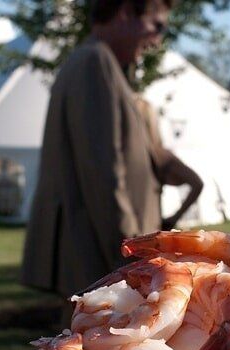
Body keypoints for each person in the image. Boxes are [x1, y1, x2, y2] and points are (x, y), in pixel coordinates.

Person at [21, 0, 173, 305]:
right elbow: (104, 174)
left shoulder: (99, 63)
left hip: (100, 264)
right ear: (125, 11)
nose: (157, 39)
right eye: (157, 25)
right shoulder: (94, 62)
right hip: (100, 266)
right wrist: (133, 254)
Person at [134, 96, 203, 230]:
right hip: (148, 229)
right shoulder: (160, 155)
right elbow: (197, 183)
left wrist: (175, 216)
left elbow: (197, 184)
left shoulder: (121, 157)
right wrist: (175, 217)